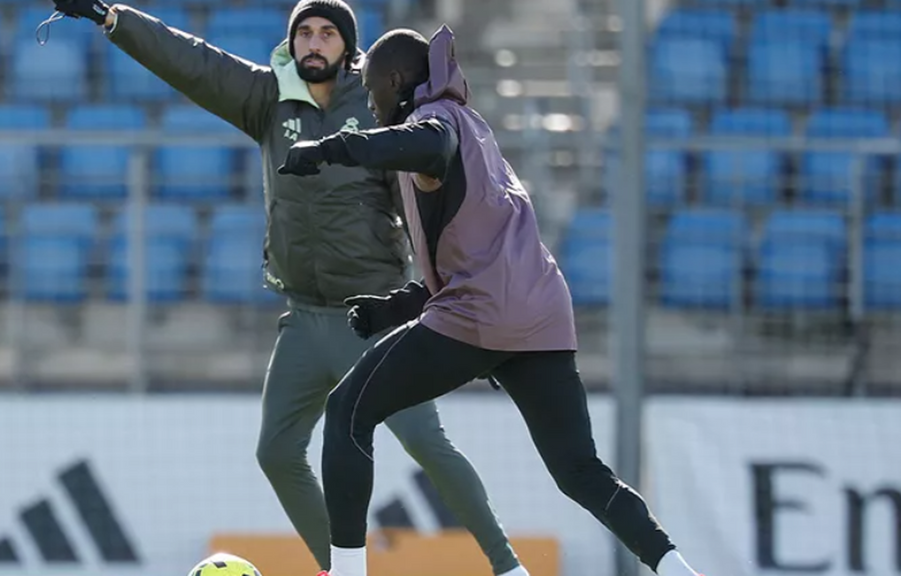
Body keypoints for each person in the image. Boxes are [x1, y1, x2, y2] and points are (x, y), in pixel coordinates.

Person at [40, 2, 530, 576]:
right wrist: (112, 17)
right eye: (305, 33)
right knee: (276, 452)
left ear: (348, 47)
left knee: (428, 445)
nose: (314, 43)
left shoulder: (376, 108)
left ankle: (507, 567)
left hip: (371, 320)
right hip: (302, 320)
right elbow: (193, 62)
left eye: (328, 33)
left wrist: (462, 316)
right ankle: (341, 568)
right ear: (292, 42)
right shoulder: (267, 98)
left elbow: (430, 218)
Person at [277, 25, 707, 576]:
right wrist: (394, 308)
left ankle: (348, 571)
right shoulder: (476, 127)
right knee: (579, 470)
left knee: (347, 414)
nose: (367, 98)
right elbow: (473, 253)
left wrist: (331, 149)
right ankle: (675, 568)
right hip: (541, 316)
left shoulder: (433, 125)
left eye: (368, 85)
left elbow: (431, 145)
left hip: (479, 315)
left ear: (394, 80)